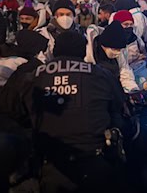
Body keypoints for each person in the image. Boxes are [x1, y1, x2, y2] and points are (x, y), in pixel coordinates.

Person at [24, 31, 130, 192]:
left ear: (55, 50)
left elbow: (16, 109)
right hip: (94, 157)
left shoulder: (34, 75)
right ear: (83, 50)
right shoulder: (100, 74)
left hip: (50, 162)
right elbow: (120, 105)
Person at [84, 21, 139, 93]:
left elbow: (125, 71)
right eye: (115, 49)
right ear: (105, 45)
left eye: (119, 50)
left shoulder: (120, 54)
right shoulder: (88, 52)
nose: (117, 52)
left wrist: (132, 89)